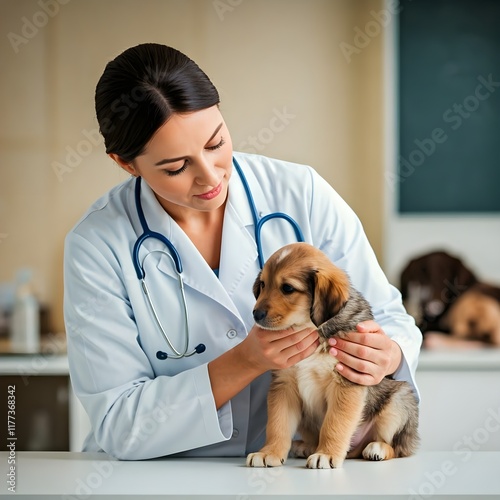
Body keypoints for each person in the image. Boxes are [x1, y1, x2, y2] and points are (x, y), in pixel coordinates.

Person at [64, 43, 422, 460]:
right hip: (160, 473)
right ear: (126, 164)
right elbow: (119, 423)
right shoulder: (97, 245)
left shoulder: (300, 192)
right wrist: (244, 362)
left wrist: (387, 353)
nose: (210, 176)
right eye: (176, 167)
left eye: (216, 143)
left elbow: (391, 318)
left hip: (293, 470)